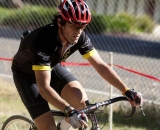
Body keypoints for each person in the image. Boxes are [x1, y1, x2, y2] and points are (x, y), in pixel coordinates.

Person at [11, 0, 143, 130]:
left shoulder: (79, 37)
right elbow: (43, 87)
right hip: (26, 77)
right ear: (60, 23)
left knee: (82, 105)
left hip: (50, 67)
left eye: (82, 26)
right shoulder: (44, 41)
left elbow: (100, 65)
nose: (78, 31)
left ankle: (62, 127)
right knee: (48, 127)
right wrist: (68, 110)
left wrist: (126, 90)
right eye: (74, 26)